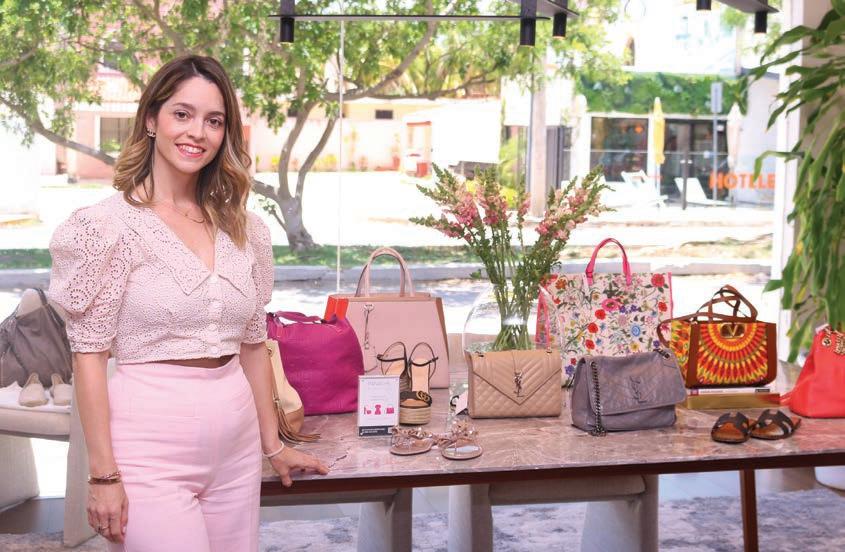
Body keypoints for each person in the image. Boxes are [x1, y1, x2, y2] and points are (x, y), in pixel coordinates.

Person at [48, 55, 328, 551]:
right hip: (149, 448)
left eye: (214, 121)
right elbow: (89, 358)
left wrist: (273, 446)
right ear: (151, 120)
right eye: (182, 114)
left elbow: (252, 346)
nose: (197, 132)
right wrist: (104, 476)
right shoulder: (105, 228)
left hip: (237, 447)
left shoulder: (245, 230)